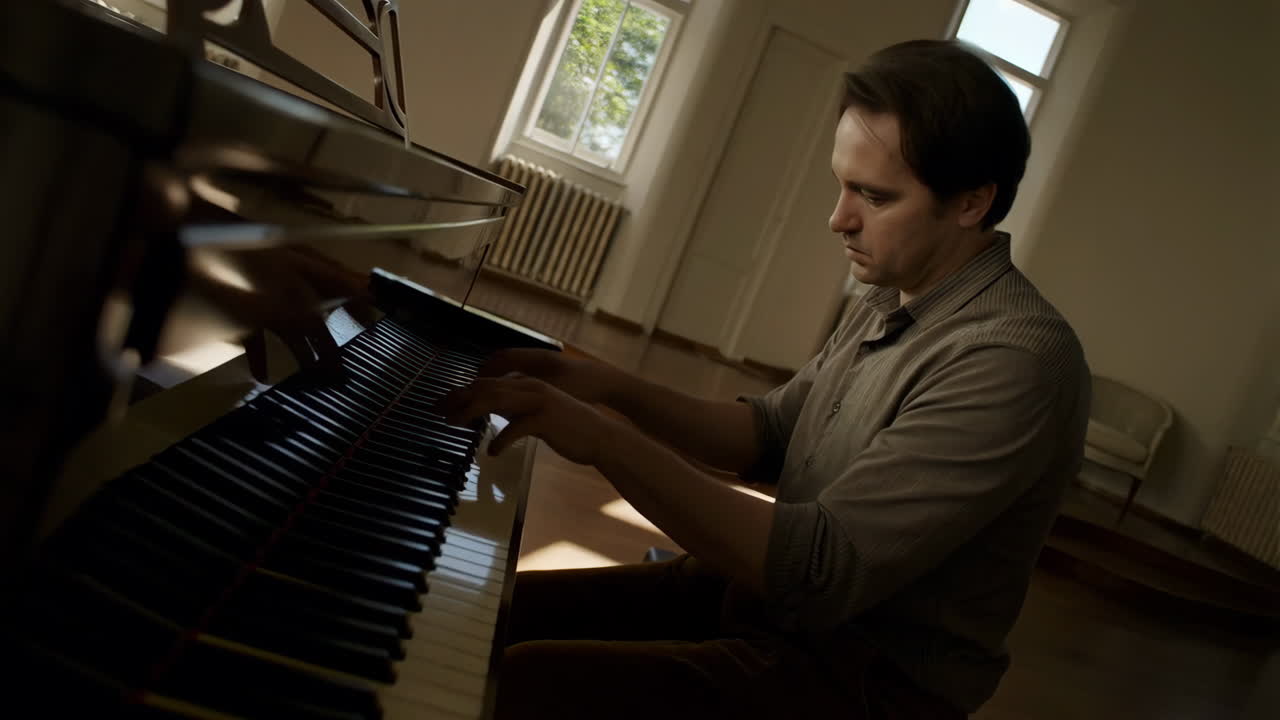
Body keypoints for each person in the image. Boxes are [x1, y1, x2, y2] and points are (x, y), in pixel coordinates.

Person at [441, 39, 1090, 719]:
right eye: (841, 185)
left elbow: (817, 572)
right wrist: (604, 385)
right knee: (483, 608)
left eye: (873, 196)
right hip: (768, 611)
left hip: (861, 680)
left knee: (521, 682)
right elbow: (770, 433)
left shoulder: (1015, 361)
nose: (837, 219)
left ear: (971, 202)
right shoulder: (892, 295)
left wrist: (603, 440)